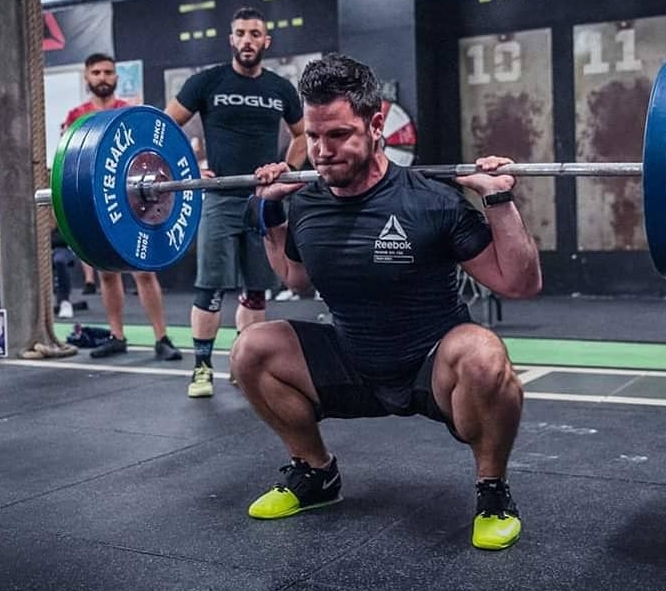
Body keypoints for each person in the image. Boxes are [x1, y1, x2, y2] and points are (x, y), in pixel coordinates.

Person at [230, 53, 542, 551]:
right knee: (251, 348)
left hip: (432, 367)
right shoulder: (307, 201)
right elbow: (294, 278)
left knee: (484, 354)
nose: (322, 152)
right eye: (314, 136)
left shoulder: (431, 199)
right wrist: (271, 212)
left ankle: (492, 492)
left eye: (339, 135)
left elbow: (519, 284)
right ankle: (316, 473)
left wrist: (498, 200)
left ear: (376, 126)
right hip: (352, 361)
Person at [165, 6, 306, 398]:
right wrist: (190, 167)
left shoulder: (280, 88)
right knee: (210, 289)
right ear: (231, 39)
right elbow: (165, 126)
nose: (247, 40)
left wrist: (287, 168)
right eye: (241, 33)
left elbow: (302, 135)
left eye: (255, 34)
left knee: (256, 290)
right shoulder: (207, 81)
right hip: (220, 199)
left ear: (266, 41)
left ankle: (246, 366)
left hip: (261, 200)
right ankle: (202, 368)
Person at [63, 53, 182, 361]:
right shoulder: (76, 117)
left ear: (116, 77)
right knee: (106, 273)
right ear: (87, 78)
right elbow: (69, 166)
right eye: (96, 72)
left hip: (133, 206)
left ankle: (162, 338)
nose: (102, 77)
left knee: (144, 272)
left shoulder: (129, 113)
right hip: (98, 207)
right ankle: (117, 336)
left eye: (107, 72)